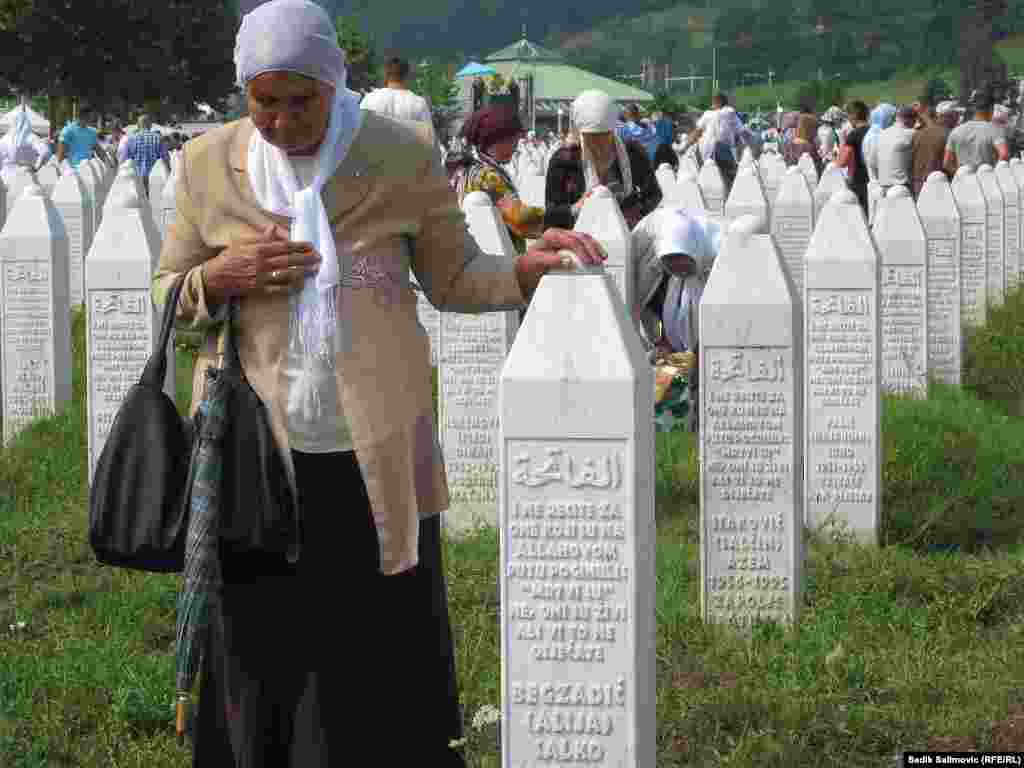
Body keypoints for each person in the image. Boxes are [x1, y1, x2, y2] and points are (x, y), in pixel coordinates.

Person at [150, 2, 604, 765]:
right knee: (261, 646)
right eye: (266, 102)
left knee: (370, 651)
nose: (285, 120)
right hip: (257, 453)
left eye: (304, 100)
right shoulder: (206, 166)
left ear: (335, 83)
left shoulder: (397, 154)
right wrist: (217, 276)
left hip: (373, 451)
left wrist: (525, 268)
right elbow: (167, 291)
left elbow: (453, 275)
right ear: (243, 94)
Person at [632, 206, 720, 433]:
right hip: (672, 354)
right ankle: (673, 435)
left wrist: (700, 352)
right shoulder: (660, 278)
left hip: (709, 352)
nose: (676, 266)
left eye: (681, 259)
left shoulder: (715, 270)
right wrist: (661, 341)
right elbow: (650, 310)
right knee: (669, 408)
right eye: (669, 260)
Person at [544, 89, 661, 231]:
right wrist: (577, 208)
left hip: (627, 231)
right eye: (591, 136)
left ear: (612, 130)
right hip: (579, 235)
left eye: (604, 135)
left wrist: (635, 212)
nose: (599, 143)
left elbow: (653, 194)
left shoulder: (632, 152)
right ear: (581, 133)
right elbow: (551, 214)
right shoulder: (565, 160)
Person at [449, 104, 544, 254]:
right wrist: (567, 215)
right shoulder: (487, 177)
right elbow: (519, 219)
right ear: (498, 139)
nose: (516, 147)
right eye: (514, 140)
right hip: (495, 259)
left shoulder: (468, 169)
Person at [944, 89, 1010, 175]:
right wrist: (995, 173)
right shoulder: (995, 130)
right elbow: (1004, 154)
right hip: (987, 181)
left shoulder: (956, 131)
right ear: (991, 108)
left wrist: (960, 174)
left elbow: (947, 163)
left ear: (974, 108)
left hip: (962, 182)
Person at [360, 57, 433, 124]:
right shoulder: (419, 103)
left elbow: (358, 130)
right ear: (407, 76)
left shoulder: (369, 99)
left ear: (385, 75)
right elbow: (428, 136)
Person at [122, 114, 171, 196]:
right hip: (155, 177)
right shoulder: (158, 138)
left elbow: (125, 161)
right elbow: (165, 159)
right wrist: (169, 176)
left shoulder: (130, 139)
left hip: (137, 177)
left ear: (138, 125)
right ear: (150, 124)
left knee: (142, 204)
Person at [911, 100, 953, 197]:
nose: (958, 118)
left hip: (918, 184)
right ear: (949, 116)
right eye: (956, 115)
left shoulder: (917, 133)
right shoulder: (949, 134)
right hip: (940, 185)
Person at [0, 107, 51, 182]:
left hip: (6, 177)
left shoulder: (4, 139)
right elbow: (46, 152)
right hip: (27, 178)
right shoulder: (31, 137)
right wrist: (37, 167)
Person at [872, 105, 915, 193]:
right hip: (902, 186)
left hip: (883, 185)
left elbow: (873, 162)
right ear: (911, 119)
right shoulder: (912, 134)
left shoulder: (881, 134)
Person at [862, 103, 897, 183]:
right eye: (893, 118)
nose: (895, 121)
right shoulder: (879, 136)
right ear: (886, 118)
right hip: (883, 183)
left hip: (874, 182)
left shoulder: (870, 133)